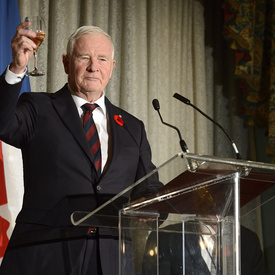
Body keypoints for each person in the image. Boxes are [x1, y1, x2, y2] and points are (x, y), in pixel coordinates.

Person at [0, 21, 162, 275]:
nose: (93, 67)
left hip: (111, 261)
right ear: (66, 62)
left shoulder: (132, 127)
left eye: (102, 59)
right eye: (84, 57)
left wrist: (153, 204)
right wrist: (17, 69)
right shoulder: (38, 108)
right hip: (44, 257)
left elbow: (150, 188)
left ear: (112, 67)